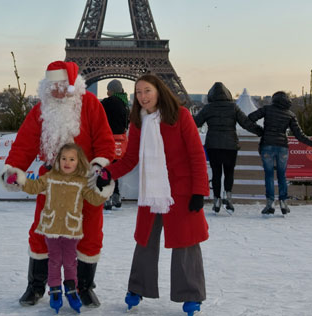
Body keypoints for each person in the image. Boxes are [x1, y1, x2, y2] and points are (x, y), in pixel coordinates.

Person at [0, 60, 115, 307]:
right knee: (42, 230)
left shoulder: (91, 105)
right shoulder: (41, 110)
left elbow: (104, 140)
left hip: (85, 182)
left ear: (73, 86)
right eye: (52, 86)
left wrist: (99, 168)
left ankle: (84, 286)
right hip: (51, 181)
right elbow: (25, 143)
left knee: (91, 232)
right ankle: (36, 285)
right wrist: (14, 169)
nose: (57, 91)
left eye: (62, 85)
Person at [97, 74, 210, 316]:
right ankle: (137, 288)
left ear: (159, 91)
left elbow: (196, 156)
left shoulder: (181, 116)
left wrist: (199, 191)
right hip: (151, 191)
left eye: (147, 91)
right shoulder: (138, 121)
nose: (143, 96)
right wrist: (108, 172)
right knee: (145, 240)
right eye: (138, 93)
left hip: (180, 190)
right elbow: (130, 158)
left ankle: (191, 295)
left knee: (186, 243)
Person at [6, 143, 114, 313]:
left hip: (71, 230)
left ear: (78, 162)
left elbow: (94, 199)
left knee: (71, 262)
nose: (67, 162)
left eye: (72, 159)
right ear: (58, 161)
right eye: (64, 158)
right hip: (52, 228)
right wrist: (19, 180)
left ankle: (71, 288)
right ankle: (55, 289)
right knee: (55, 260)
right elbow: (34, 187)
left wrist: (104, 185)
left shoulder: (81, 182)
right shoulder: (50, 177)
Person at [248, 91, 312, 215]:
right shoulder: (290, 114)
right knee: (282, 175)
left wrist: (261, 131)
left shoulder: (267, 109)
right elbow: (299, 135)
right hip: (282, 147)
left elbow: (250, 118)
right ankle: (283, 203)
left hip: (267, 145)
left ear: (274, 99)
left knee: (268, 175)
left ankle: (270, 203)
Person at [194, 82, 263, 214]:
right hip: (230, 145)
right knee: (229, 172)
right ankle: (228, 197)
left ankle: (216, 200)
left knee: (216, 173)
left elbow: (195, 123)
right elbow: (246, 123)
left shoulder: (208, 108)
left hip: (213, 145)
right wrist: (261, 131)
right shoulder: (233, 107)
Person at [101, 79, 129, 210]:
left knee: (106, 169)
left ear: (111, 90)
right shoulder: (125, 103)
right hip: (121, 142)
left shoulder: (108, 102)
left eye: (108, 90)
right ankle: (116, 196)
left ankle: (107, 197)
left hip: (108, 140)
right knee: (115, 170)